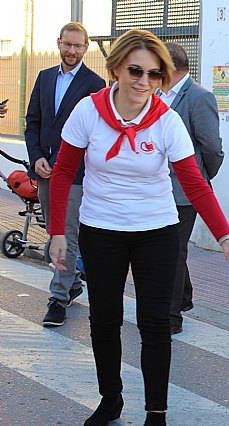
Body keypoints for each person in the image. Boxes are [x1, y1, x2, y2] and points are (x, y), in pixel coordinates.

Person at [47, 29, 229, 426]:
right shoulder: (88, 112)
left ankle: (155, 413)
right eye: (136, 71)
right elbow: (63, 173)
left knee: (156, 324)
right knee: (104, 320)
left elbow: (195, 182)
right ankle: (111, 401)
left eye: (155, 75)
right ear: (115, 69)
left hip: (156, 231)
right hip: (101, 229)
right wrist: (58, 231)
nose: (145, 82)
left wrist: (225, 238)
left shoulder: (167, 120)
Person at [25, 22, 106, 326]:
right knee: (52, 231)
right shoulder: (45, 78)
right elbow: (32, 122)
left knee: (66, 234)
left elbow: (95, 134)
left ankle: (57, 298)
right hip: (44, 171)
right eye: (67, 44)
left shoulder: (95, 84)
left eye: (78, 45)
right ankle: (71, 283)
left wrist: (60, 162)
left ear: (86, 48)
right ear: (58, 43)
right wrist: (36, 158)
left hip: (73, 174)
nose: (72, 51)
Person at [160, 41, 225, 335]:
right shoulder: (159, 95)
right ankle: (183, 296)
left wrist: (200, 178)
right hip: (158, 188)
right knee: (171, 248)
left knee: (172, 252)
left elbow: (212, 148)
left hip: (185, 191)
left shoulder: (199, 97)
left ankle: (172, 317)